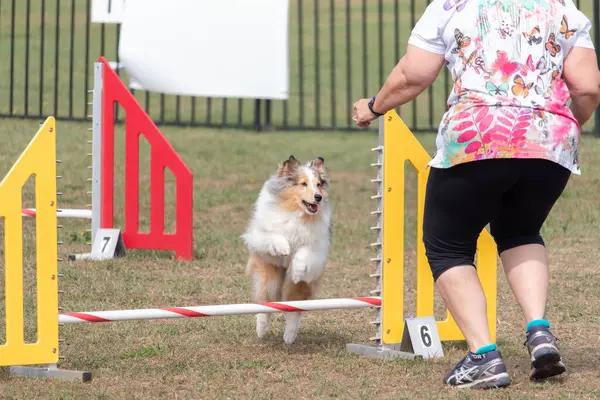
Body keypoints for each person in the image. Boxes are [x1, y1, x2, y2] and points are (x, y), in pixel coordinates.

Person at [352, 0, 600, 390]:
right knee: (521, 232)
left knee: (447, 244)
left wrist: (373, 106)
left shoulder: (452, 4)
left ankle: (483, 355)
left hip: (479, 134)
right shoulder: (562, 6)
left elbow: (413, 75)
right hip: (550, 141)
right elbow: (587, 87)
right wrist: (565, 126)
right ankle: (539, 333)